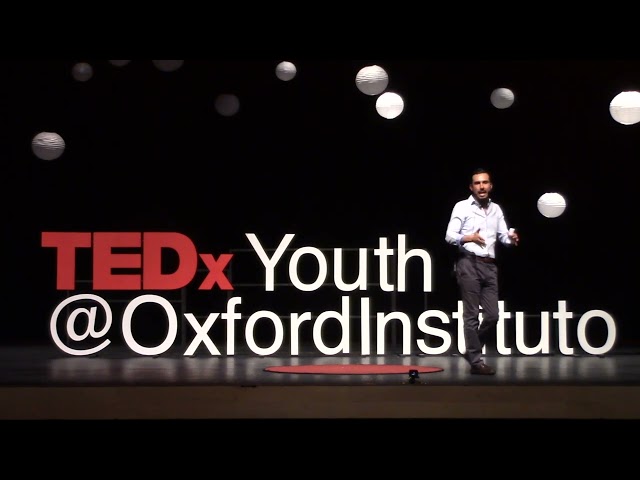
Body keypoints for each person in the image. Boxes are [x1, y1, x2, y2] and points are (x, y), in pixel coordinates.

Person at [445, 167, 519, 375]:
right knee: (471, 316)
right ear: (471, 187)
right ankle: (476, 362)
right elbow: (449, 236)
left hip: (490, 265)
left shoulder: (496, 209)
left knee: (493, 315)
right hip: (468, 263)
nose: (481, 186)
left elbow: (503, 236)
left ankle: (472, 349)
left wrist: (511, 239)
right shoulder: (462, 207)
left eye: (485, 182)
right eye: (477, 183)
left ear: (491, 186)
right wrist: (468, 237)